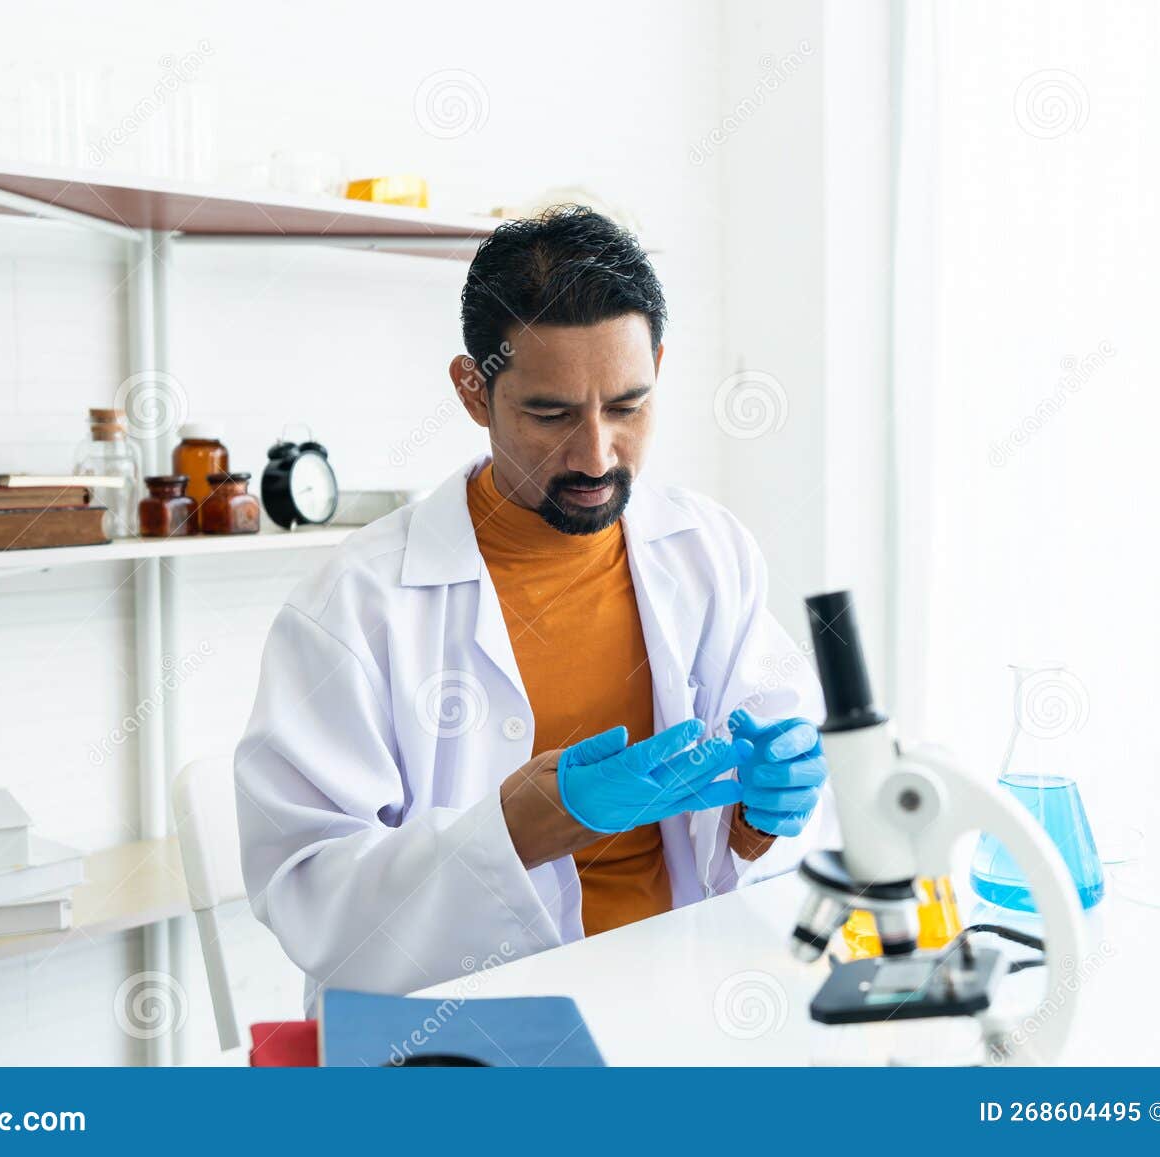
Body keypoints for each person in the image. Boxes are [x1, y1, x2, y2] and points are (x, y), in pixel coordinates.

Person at [235, 207, 833, 1006]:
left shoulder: (708, 552)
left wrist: (764, 816)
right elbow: (306, 893)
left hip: (678, 994)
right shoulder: (354, 606)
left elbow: (778, 825)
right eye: (550, 413)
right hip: (464, 1029)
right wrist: (516, 830)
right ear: (472, 388)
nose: (595, 454)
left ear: (657, 364)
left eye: (627, 406)